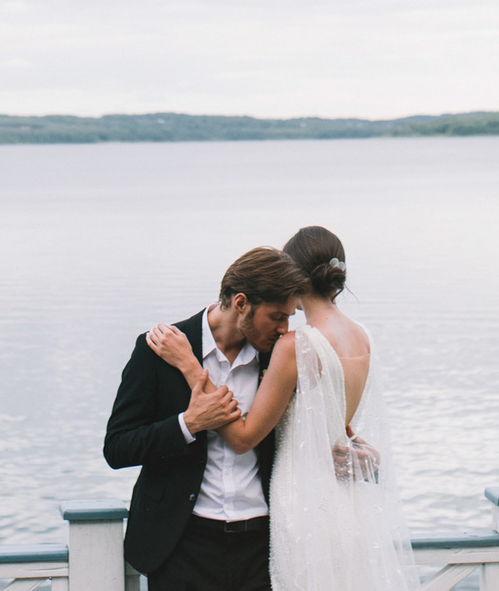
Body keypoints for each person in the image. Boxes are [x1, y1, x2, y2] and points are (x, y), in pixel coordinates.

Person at [143, 228, 419, 591]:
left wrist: (192, 366)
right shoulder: (361, 335)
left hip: (302, 499)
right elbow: (339, 424)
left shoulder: (296, 346)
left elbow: (243, 437)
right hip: (346, 505)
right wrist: (361, 452)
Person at [104, 247, 309, 591]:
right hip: (180, 545)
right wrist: (187, 425)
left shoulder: (280, 358)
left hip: (261, 546)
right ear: (241, 303)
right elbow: (118, 448)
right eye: (277, 317)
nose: (284, 329)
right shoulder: (158, 349)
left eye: (289, 317)